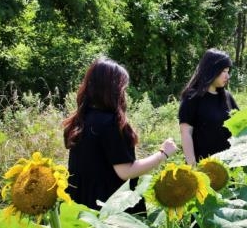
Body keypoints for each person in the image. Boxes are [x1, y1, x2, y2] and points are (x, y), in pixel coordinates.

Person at [64, 57, 177, 213]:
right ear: (113, 90)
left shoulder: (80, 120)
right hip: (109, 208)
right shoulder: (110, 123)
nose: (124, 93)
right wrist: (163, 153)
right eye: (123, 88)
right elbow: (126, 172)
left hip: (79, 206)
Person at [179, 49, 238, 165]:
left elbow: (240, 125)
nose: (227, 76)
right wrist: (192, 166)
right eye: (224, 71)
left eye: (228, 71)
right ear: (212, 71)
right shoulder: (192, 98)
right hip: (202, 167)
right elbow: (186, 133)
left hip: (227, 168)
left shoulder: (226, 96)